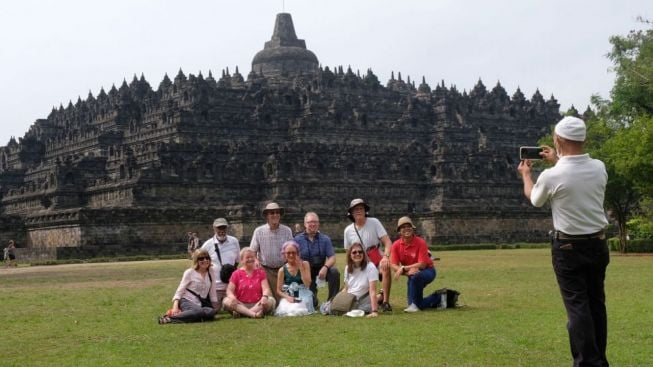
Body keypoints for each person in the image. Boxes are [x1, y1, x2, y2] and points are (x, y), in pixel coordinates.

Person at [518, 116, 610, 367]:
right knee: (595, 305)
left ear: (558, 140)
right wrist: (558, 160)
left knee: (577, 307)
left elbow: (535, 198)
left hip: (568, 248)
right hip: (598, 244)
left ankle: (588, 363)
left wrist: (526, 175)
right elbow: (575, 176)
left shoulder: (551, 175)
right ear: (584, 139)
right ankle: (598, 359)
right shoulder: (599, 167)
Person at [343, 198, 393, 312]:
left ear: (365, 210)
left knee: (386, 267)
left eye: (361, 208)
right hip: (359, 263)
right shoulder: (348, 230)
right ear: (351, 213)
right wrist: (349, 271)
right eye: (355, 209)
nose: (359, 211)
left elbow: (387, 242)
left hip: (376, 259)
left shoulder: (374, 222)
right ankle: (377, 298)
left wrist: (385, 257)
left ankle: (385, 301)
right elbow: (348, 253)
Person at [390, 216, 446, 312]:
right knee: (414, 304)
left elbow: (422, 264)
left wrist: (403, 268)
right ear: (399, 231)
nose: (406, 228)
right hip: (412, 275)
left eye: (409, 226)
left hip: (427, 271)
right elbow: (393, 265)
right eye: (403, 227)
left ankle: (420, 303)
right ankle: (442, 297)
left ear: (413, 228)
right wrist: (407, 272)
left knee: (416, 277)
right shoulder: (396, 245)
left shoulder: (420, 242)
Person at [158, 249, 218, 324]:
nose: (205, 260)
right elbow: (180, 290)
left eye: (207, 258)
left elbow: (212, 292)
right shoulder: (189, 272)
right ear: (196, 260)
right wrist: (175, 306)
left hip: (201, 303)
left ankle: (190, 316)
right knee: (198, 311)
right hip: (186, 300)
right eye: (201, 258)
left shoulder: (211, 271)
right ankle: (169, 318)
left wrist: (215, 307)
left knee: (211, 312)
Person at [295, 212, 340, 305]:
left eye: (315, 222)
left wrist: (325, 267)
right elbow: (295, 258)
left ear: (318, 223)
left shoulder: (325, 239)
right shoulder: (297, 240)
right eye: (310, 222)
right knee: (312, 303)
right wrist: (304, 270)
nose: (313, 224)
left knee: (334, 272)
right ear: (305, 224)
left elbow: (332, 257)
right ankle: (313, 298)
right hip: (306, 271)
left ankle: (332, 301)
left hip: (321, 268)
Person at [250, 202, 293, 302]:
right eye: (272, 213)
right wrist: (256, 260)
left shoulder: (287, 231)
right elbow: (252, 251)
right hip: (265, 270)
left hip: (283, 269)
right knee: (269, 299)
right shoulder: (259, 231)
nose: (275, 215)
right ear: (267, 216)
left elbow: (292, 250)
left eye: (277, 212)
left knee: (283, 301)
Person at [223, 247, 276, 318]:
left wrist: (264, 297)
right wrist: (232, 297)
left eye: (252, 257)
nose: (250, 259)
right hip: (240, 304)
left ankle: (243, 314)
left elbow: (266, 289)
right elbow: (229, 290)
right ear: (242, 260)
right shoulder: (236, 273)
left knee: (271, 300)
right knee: (226, 301)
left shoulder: (261, 273)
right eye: (247, 257)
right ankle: (253, 314)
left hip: (257, 304)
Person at [200, 218, 240, 311]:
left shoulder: (234, 241)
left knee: (233, 306)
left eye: (224, 228)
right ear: (214, 229)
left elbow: (237, 261)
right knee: (213, 310)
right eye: (219, 228)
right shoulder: (207, 245)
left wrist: (228, 272)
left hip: (231, 286)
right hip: (215, 287)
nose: (222, 231)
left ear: (227, 228)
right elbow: (199, 263)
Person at [338, 242, 379, 318]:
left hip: (363, 300)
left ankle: (378, 299)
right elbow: (346, 288)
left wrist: (374, 311)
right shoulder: (348, 267)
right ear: (350, 255)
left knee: (357, 310)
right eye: (354, 252)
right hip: (350, 299)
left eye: (360, 252)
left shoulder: (370, 267)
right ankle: (380, 297)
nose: (357, 254)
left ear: (364, 254)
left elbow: (372, 290)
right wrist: (339, 299)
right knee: (329, 308)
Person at [274, 241, 313, 316]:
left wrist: (301, 267)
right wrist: (287, 297)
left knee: (298, 307)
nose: (291, 255)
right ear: (284, 254)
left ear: (298, 253)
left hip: (303, 295)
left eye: (294, 253)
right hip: (289, 296)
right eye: (288, 253)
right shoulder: (282, 270)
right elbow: (278, 290)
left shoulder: (305, 264)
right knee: (287, 307)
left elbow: (307, 284)